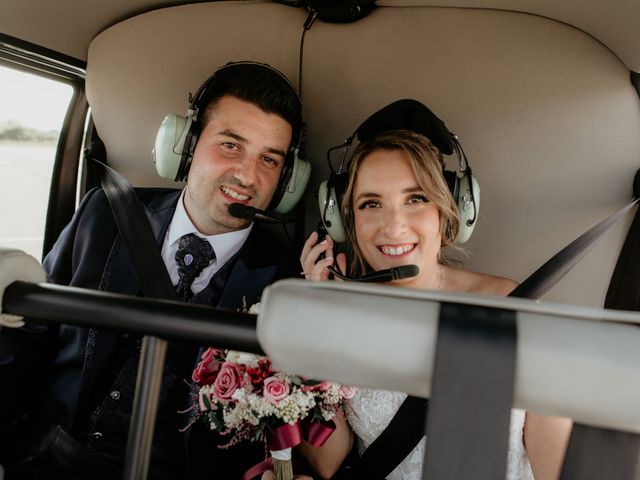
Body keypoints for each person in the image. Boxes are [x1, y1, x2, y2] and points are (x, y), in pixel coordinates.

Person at [0, 61, 310, 479]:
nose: (246, 175)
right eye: (231, 146)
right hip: (52, 460)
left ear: (286, 178)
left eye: (269, 160)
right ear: (188, 143)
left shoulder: (288, 280)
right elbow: (30, 336)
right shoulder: (104, 213)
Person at [299, 102, 573, 480]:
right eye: (371, 203)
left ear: (448, 211)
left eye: (415, 199)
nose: (393, 227)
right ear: (347, 222)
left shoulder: (511, 307)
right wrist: (315, 322)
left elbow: (558, 471)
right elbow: (326, 461)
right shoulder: (338, 312)